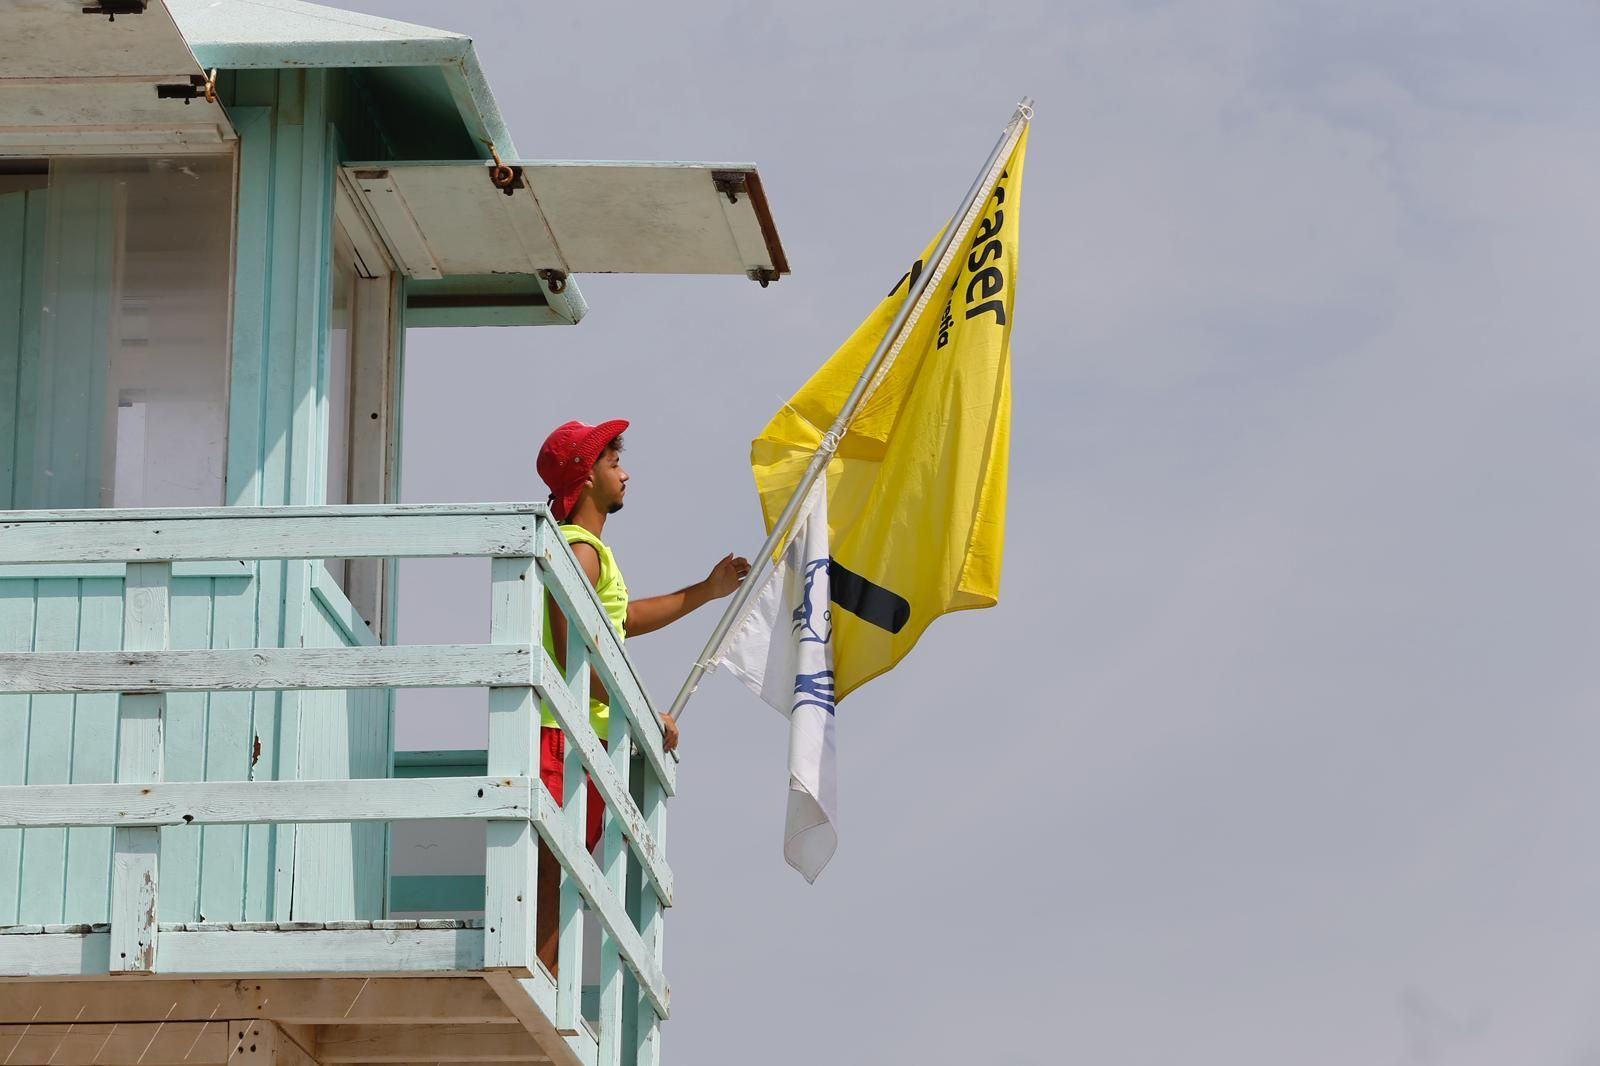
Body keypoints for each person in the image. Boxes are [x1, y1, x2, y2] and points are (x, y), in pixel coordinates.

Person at [534, 418, 749, 973]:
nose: (625, 474)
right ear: (585, 479)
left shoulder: (588, 553)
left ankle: (542, 974)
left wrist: (707, 590)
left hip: (582, 738)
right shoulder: (579, 551)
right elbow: (571, 652)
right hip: (564, 736)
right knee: (556, 870)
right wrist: (641, 717)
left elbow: (620, 618)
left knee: (565, 868)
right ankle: (537, 977)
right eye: (612, 463)